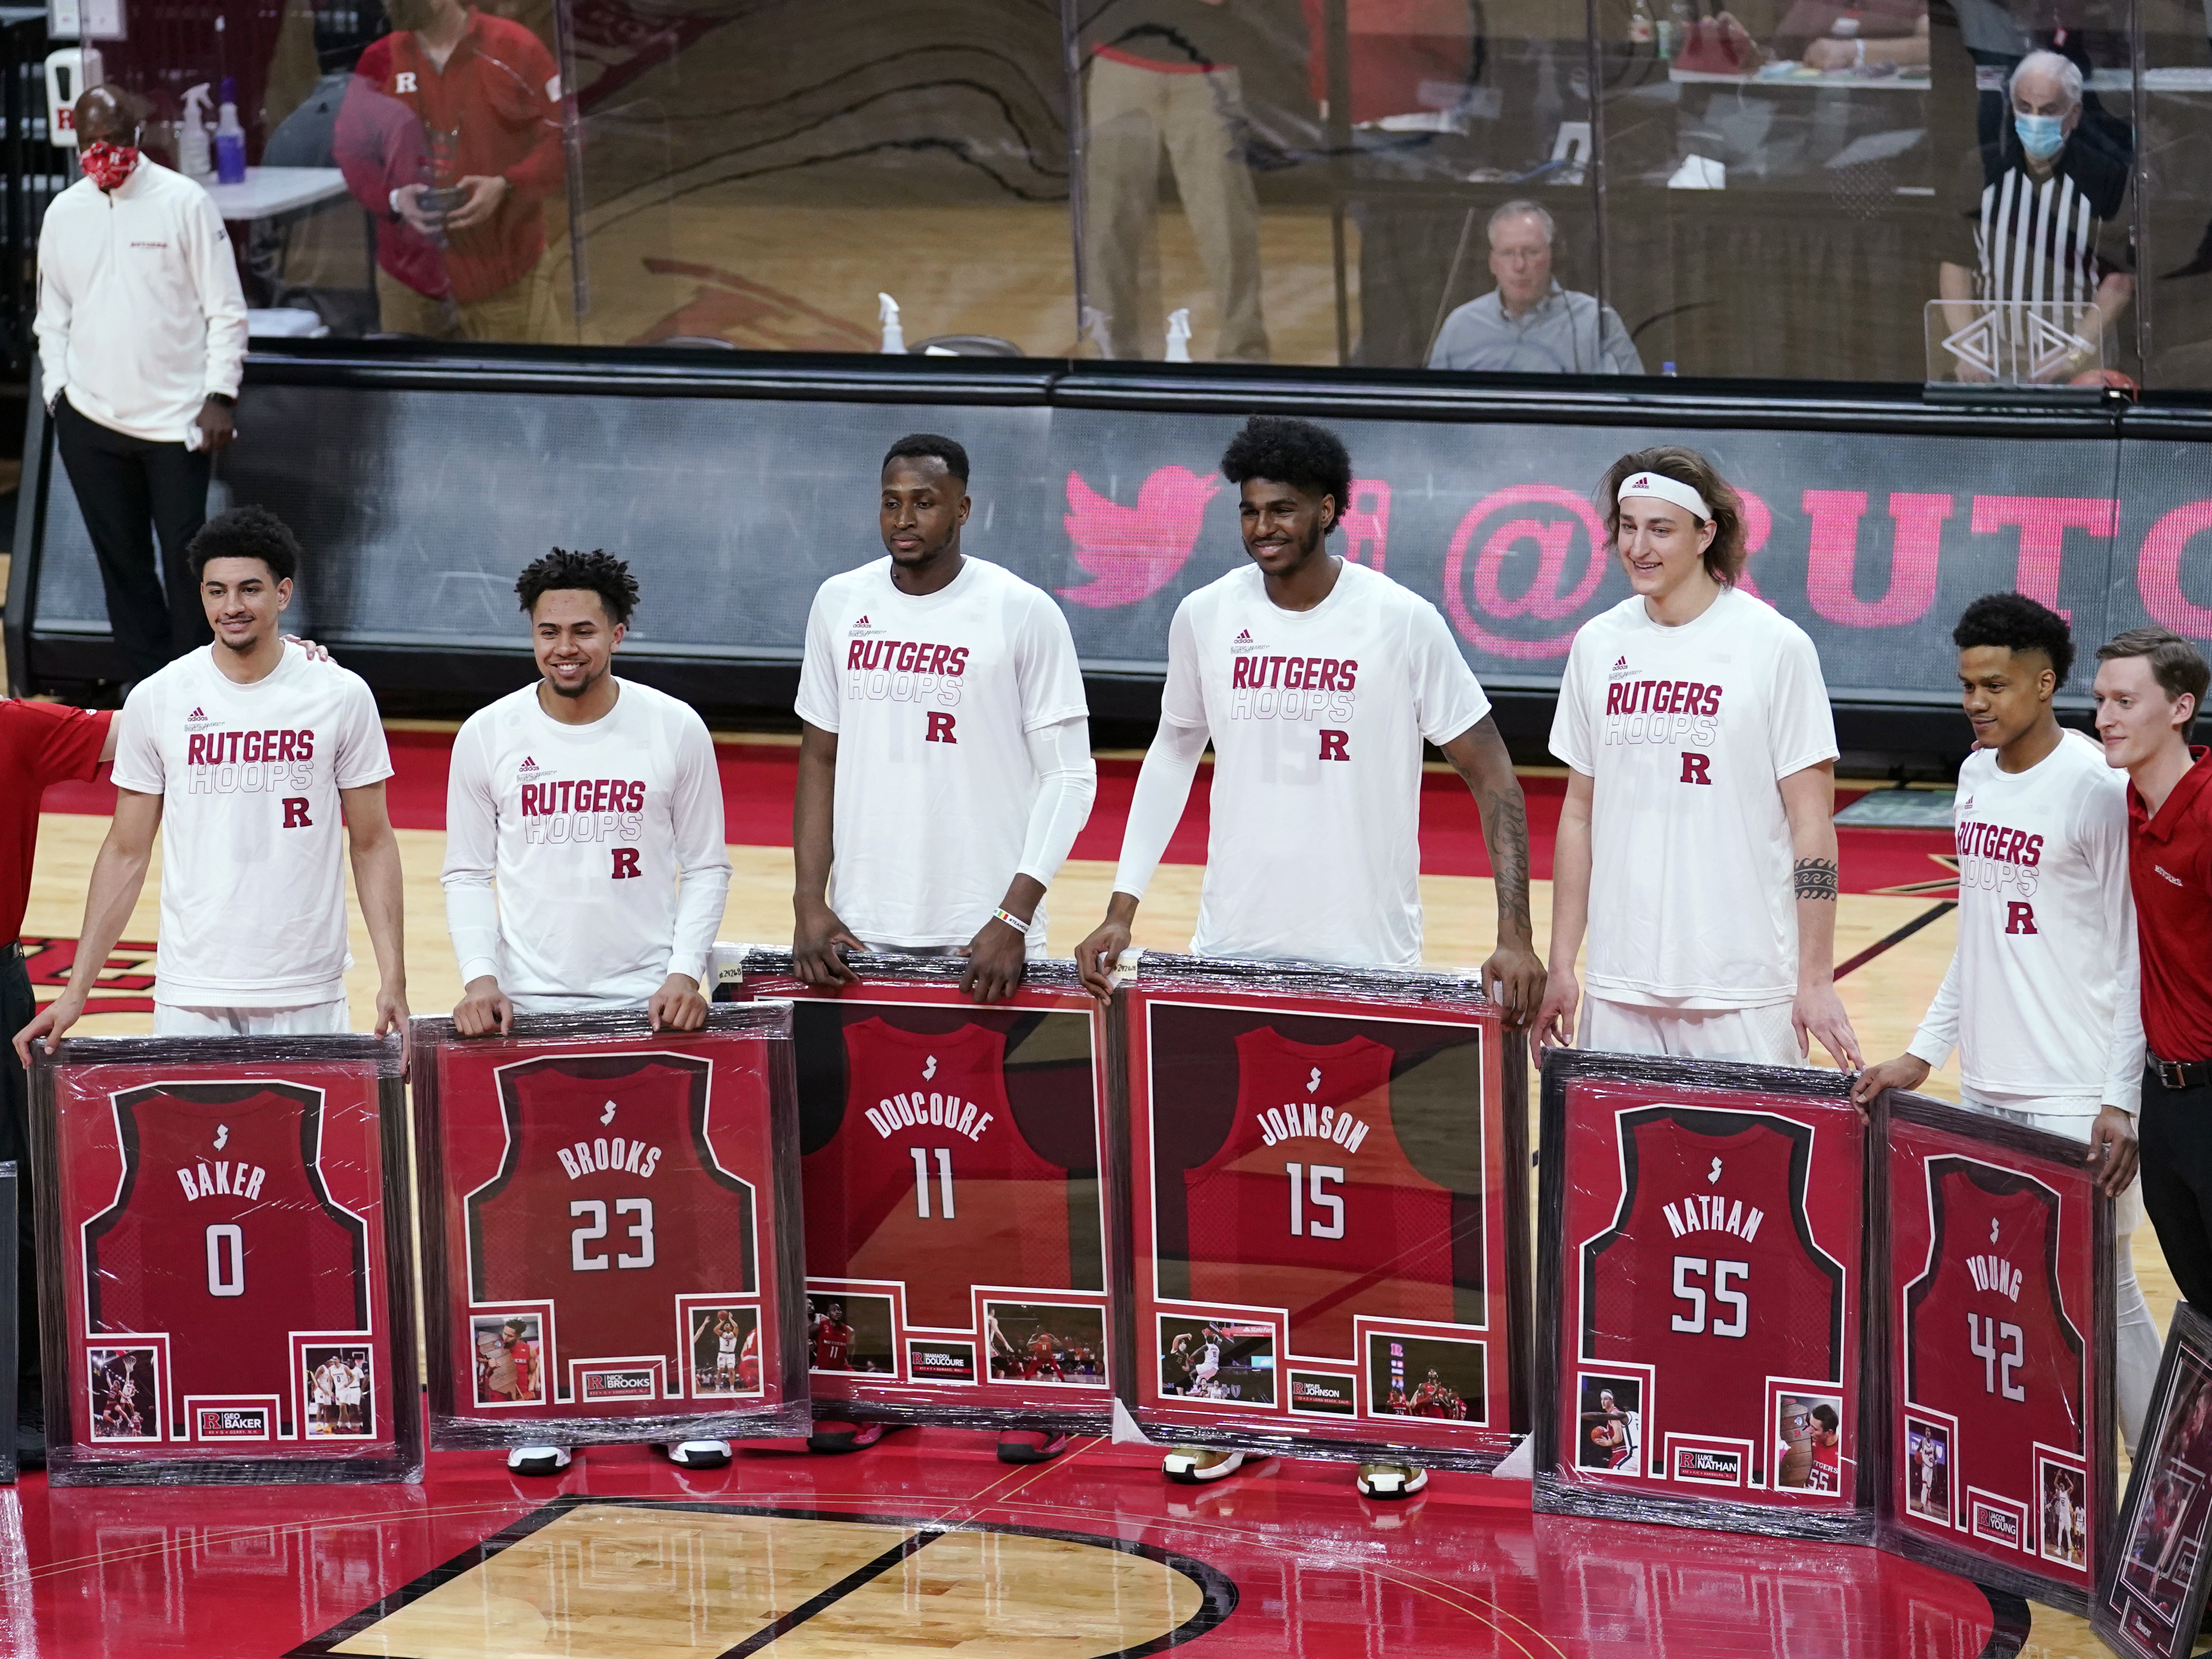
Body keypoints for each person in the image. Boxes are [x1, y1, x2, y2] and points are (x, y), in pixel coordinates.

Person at [1073, 414, 1544, 1500]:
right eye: (1246, 510)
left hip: (1366, 959)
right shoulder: (1205, 616)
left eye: (1281, 508)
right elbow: (1170, 752)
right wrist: (1121, 902)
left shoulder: (1399, 621)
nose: (1261, 528)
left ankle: (1391, 1415)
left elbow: (1495, 778)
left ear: (1333, 508)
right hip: (1234, 954)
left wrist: (1513, 931)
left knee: (1375, 1202)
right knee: (1241, 1203)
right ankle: (1235, 1401)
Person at [790, 431, 1096, 1462]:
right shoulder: (839, 603)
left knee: (1005, 1178)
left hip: (985, 939)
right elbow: (819, 753)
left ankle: (1031, 1383)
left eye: (924, 501)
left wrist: (1013, 912)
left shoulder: (1019, 613)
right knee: (865, 1174)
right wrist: (810, 902)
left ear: (965, 508)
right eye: (889, 500)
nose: (903, 517)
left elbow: (1072, 776)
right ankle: (871, 1375)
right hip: (866, 937)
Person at [441, 547, 731, 1475]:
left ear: (617, 631)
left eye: (581, 629)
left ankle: (685, 1396)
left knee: (668, 1212)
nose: (563, 647)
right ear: (530, 635)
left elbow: (709, 862)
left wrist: (688, 968)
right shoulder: (486, 733)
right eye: (547, 631)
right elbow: (463, 869)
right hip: (530, 1012)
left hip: (647, 1007)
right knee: (533, 1219)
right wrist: (481, 972)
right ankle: (540, 1402)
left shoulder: (671, 726)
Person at [1853, 595, 2157, 1448]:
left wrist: (2119, 1098)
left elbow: (2134, 955)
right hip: (1985, 1085)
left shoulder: (2095, 789)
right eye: (1964, 685)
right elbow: (1977, 931)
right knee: (1997, 1292)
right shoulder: (1973, 776)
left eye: (1993, 683)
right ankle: (2014, 1482)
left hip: (2073, 1089)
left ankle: (2173, 1503)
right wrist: (1921, 1053)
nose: (1975, 700)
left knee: (2105, 1294)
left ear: (2043, 681)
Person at [15, 507, 406, 1057]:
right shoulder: (159, 696)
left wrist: (395, 976)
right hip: (190, 985)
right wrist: (78, 989)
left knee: (311, 1147)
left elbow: (372, 842)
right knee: (194, 1147)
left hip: (306, 985)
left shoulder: (339, 695)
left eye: (250, 589)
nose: (232, 607)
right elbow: (126, 851)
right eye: (216, 591)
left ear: (283, 593)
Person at [1536, 448, 1858, 1071]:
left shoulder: (1776, 647)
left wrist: (1815, 977)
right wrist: (1562, 964)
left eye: (1661, 529)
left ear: (1707, 533)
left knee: (1747, 1168)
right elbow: (1578, 814)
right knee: (1616, 1170)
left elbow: (1813, 824)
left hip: (1743, 986)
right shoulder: (1598, 644)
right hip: (1618, 983)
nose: (1639, 547)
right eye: (1628, 526)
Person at [35, 85, 248, 686]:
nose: (102, 152)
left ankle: (195, 689)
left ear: (139, 132)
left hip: (178, 421)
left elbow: (225, 308)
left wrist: (219, 394)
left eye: (112, 138)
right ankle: (145, 693)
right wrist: (59, 395)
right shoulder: (64, 212)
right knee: (121, 563)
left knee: (188, 564)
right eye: (88, 142)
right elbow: (52, 316)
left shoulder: (184, 201)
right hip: (90, 420)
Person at [1, 694, 117, 1465]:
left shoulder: (14, 726)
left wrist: (274, 656)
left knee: (21, 1192)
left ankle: (32, 1397)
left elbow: (159, 722)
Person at [2094, 628, 2212, 1313]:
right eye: (2100, 700)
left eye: (2124, 701)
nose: (2105, 718)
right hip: (2162, 1104)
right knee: (2199, 1306)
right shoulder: (2132, 805)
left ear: (2177, 708)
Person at [332, 0, 563, 341]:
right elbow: (352, 152)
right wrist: (394, 198)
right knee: (410, 396)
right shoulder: (378, 60)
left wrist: (507, 184)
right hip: (409, 282)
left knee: (525, 394)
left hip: (506, 276)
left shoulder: (516, 48)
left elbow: (562, 139)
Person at [1080, 0, 1267, 362]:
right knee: (1110, 222)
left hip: (1208, 65)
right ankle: (1110, 354)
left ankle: (1243, 356)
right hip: (1120, 59)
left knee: (1226, 221)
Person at [1938, 50, 2133, 382]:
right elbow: (1956, 262)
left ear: (2074, 115)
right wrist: (1967, 347)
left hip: (2079, 365)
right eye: (2024, 109)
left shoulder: (2107, 176)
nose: (2034, 120)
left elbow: (2119, 278)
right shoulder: (1980, 169)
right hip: (1995, 359)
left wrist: (2074, 353)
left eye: (2048, 111)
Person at [1427, 202, 1643, 376]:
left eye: (1531, 252)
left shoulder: (1596, 322)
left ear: (1553, 258)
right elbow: (1430, 415)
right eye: (1508, 254)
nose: (1519, 266)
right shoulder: (1460, 326)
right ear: (1493, 263)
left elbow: (1633, 407)